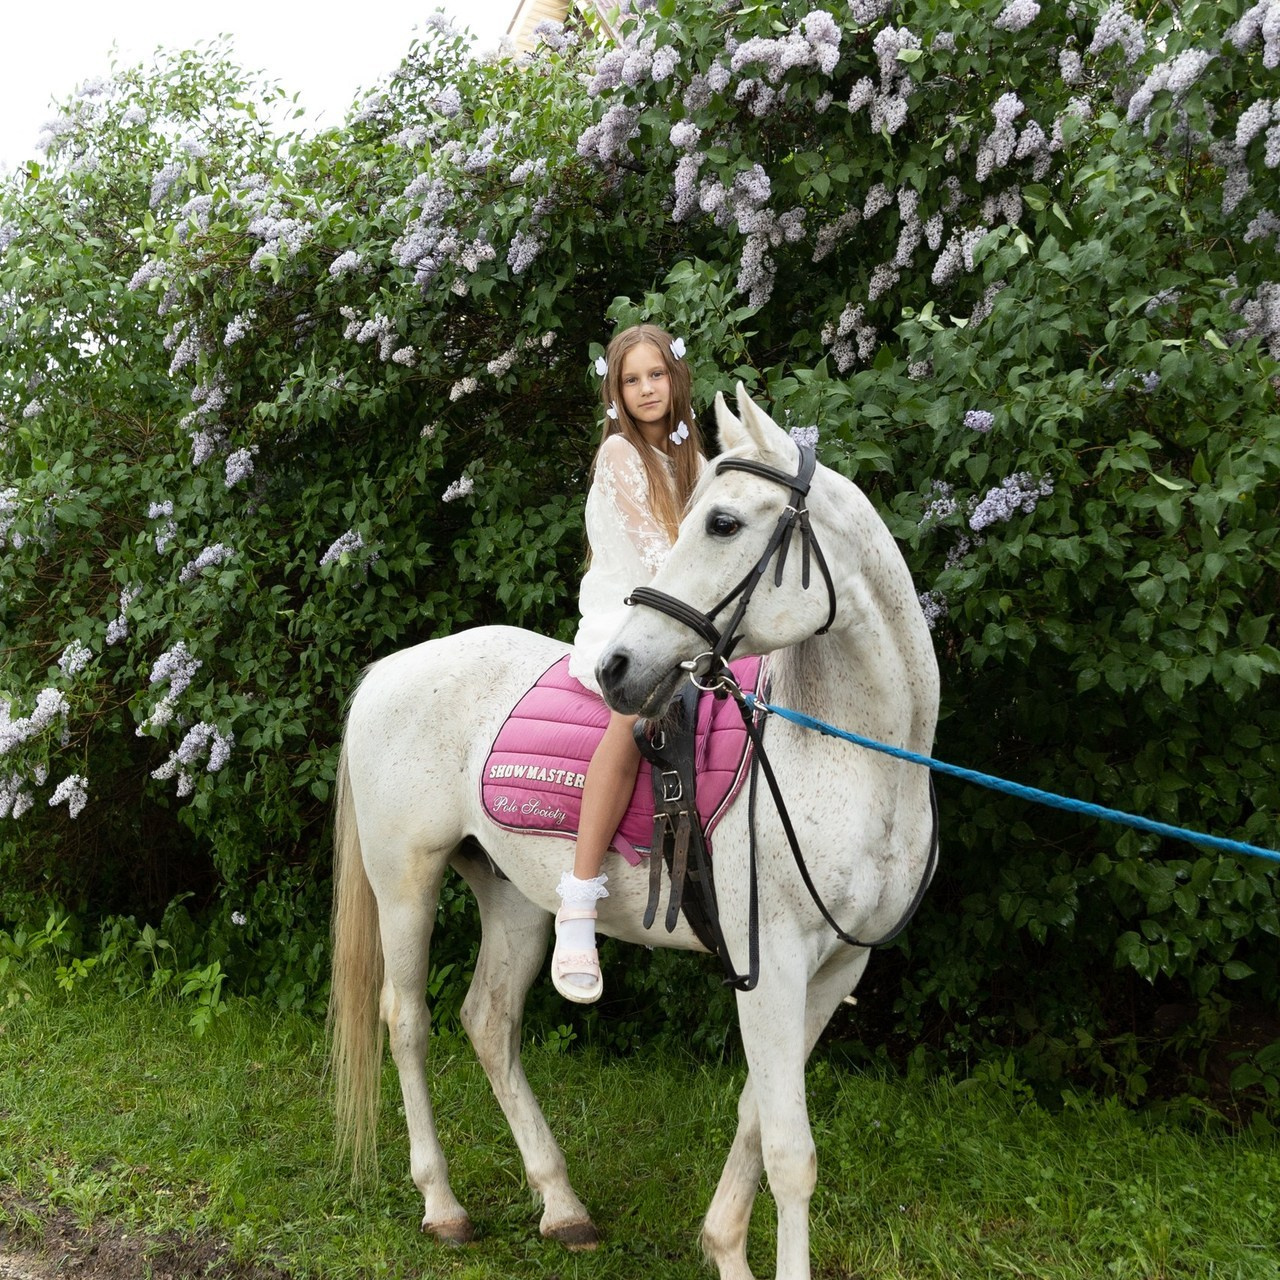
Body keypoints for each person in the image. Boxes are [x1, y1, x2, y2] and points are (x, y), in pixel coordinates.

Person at [554, 323, 707, 1003]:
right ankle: (579, 901)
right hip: (630, 613)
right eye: (632, 379)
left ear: (675, 379)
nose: (648, 389)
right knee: (634, 711)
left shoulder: (694, 454)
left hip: (686, 611)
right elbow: (659, 561)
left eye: (657, 375)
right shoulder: (620, 454)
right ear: (616, 394)